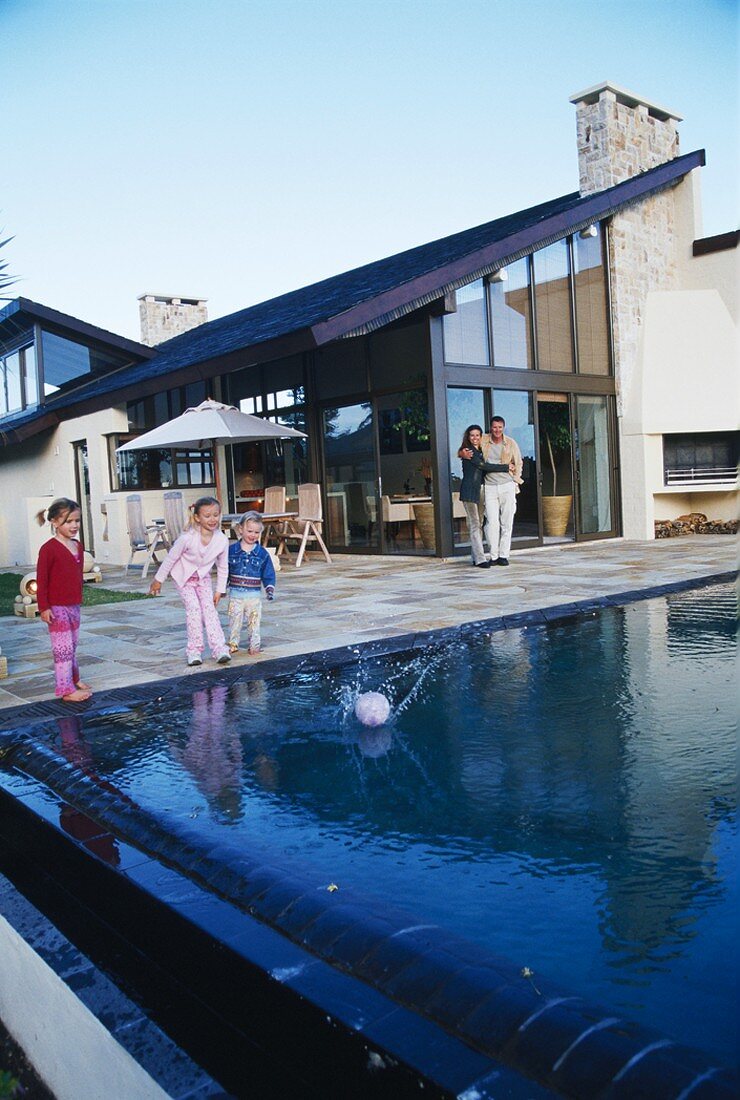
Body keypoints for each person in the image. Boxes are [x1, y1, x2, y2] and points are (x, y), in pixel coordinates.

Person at [148, 495, 231, 666]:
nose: (212, 519)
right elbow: (171, 558)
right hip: (183, 579)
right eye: (207, 516)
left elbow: (223, 567)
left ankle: (220, 648)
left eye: (216, 515)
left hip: (203, 579)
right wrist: (159, 580)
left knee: (210, 611)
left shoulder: (222, 540)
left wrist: (220, 590)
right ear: (197, 518)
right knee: (194, 610)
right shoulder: (187, 538)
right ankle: (194, 651)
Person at [36, 497, 92, 702]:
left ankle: (74, 678)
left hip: (73, 604)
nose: (74, 525)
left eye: (77, 521)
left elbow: (76, 574)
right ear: (54, 522)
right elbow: (42, 580)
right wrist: (44, 607)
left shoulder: (77, 546)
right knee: (62, 648)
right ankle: (65, 689)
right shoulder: (48, 549)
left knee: (72, 645)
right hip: (56, 606)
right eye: (69, 521)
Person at [458, 424, 512, 568]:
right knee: (475, 524)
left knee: (479, 524)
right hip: (469, 491)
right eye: (472, 435)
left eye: (477, 435)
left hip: (481, 491)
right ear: (468, 437)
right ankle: (481, 559)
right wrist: (506, 467)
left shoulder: (481, 451)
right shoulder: (468, 451)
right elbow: (483, 466)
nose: (475, 438)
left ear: (481, 437)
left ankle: (476, 557)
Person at [226, 511, 276, 655]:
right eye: (249, 531)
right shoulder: (231, 551)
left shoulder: (262, 553)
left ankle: (254, 645)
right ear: (241, 529)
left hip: (254, 596)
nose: (253, 535)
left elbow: (268, 574)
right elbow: (226, 570)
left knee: (254, 622)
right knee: (234, 620)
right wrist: (222, 588)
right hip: (236, 595)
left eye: (256, 532)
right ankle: (232, 644)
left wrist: (269, 589)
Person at [481, 415, 523, 566]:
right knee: (492, 522)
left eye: (500, 427)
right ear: (490, 428)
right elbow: (470, 445)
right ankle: (493, 555)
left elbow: (518, 462)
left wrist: (515, 479)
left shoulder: (511, 443)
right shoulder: (484, 441)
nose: (497, 430)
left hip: (507, 485)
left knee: (507, 521)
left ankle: (503, 555)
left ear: (503, 427)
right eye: (494, 427)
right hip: (490, 486)